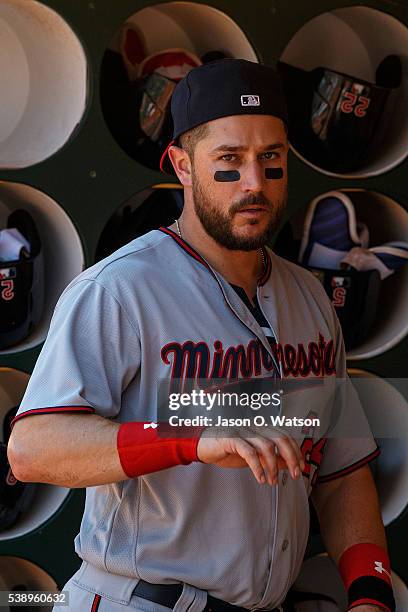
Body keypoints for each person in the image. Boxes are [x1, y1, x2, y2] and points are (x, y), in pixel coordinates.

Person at [8, 59, 394, 612]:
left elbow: (340, 469)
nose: (254, 183)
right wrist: (190, 438)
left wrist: (370, 592)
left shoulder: (310, 299)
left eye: (271, 158)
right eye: (229, 161)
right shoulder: (120, 289)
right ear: (181, 166)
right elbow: (32, 450)